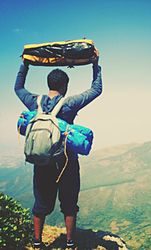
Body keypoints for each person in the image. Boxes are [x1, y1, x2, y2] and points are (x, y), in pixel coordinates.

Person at [14, 49, 102, 249]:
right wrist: (95, 64)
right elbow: (96, 90)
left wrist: (25, 65)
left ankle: (37, 242)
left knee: (41, 203)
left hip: (42, 161)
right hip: (66, 162)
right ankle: (70, 243)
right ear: (65, 85)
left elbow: (18, 88)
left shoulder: (33, 102)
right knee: (69, 203)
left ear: (49, 84)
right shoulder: (69, 104)